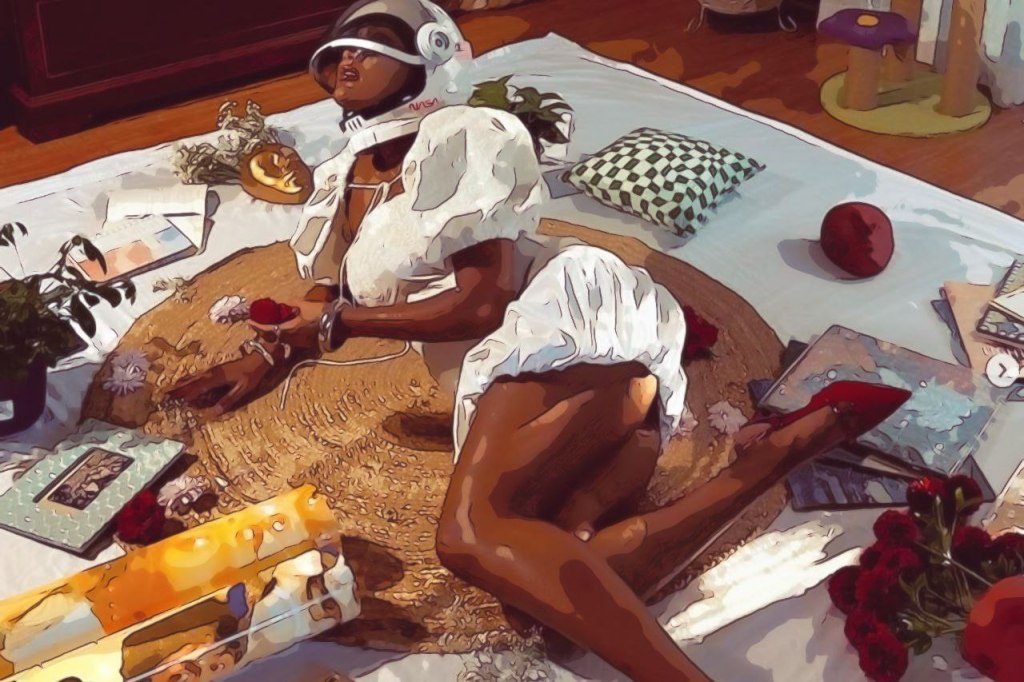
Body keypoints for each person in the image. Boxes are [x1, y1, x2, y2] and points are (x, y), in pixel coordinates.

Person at [168, 1, 912, 679]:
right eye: (335, 52)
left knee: (468, 537)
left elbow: (483, 302)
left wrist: (338, 325)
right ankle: (765, 462)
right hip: (526, 385)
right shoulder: (342, 179)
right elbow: (328, 295)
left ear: (431, 53)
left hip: (562, 332)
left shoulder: (467, 136)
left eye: (371, 44)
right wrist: (263, 354)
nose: (346, 60)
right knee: (550, 614)